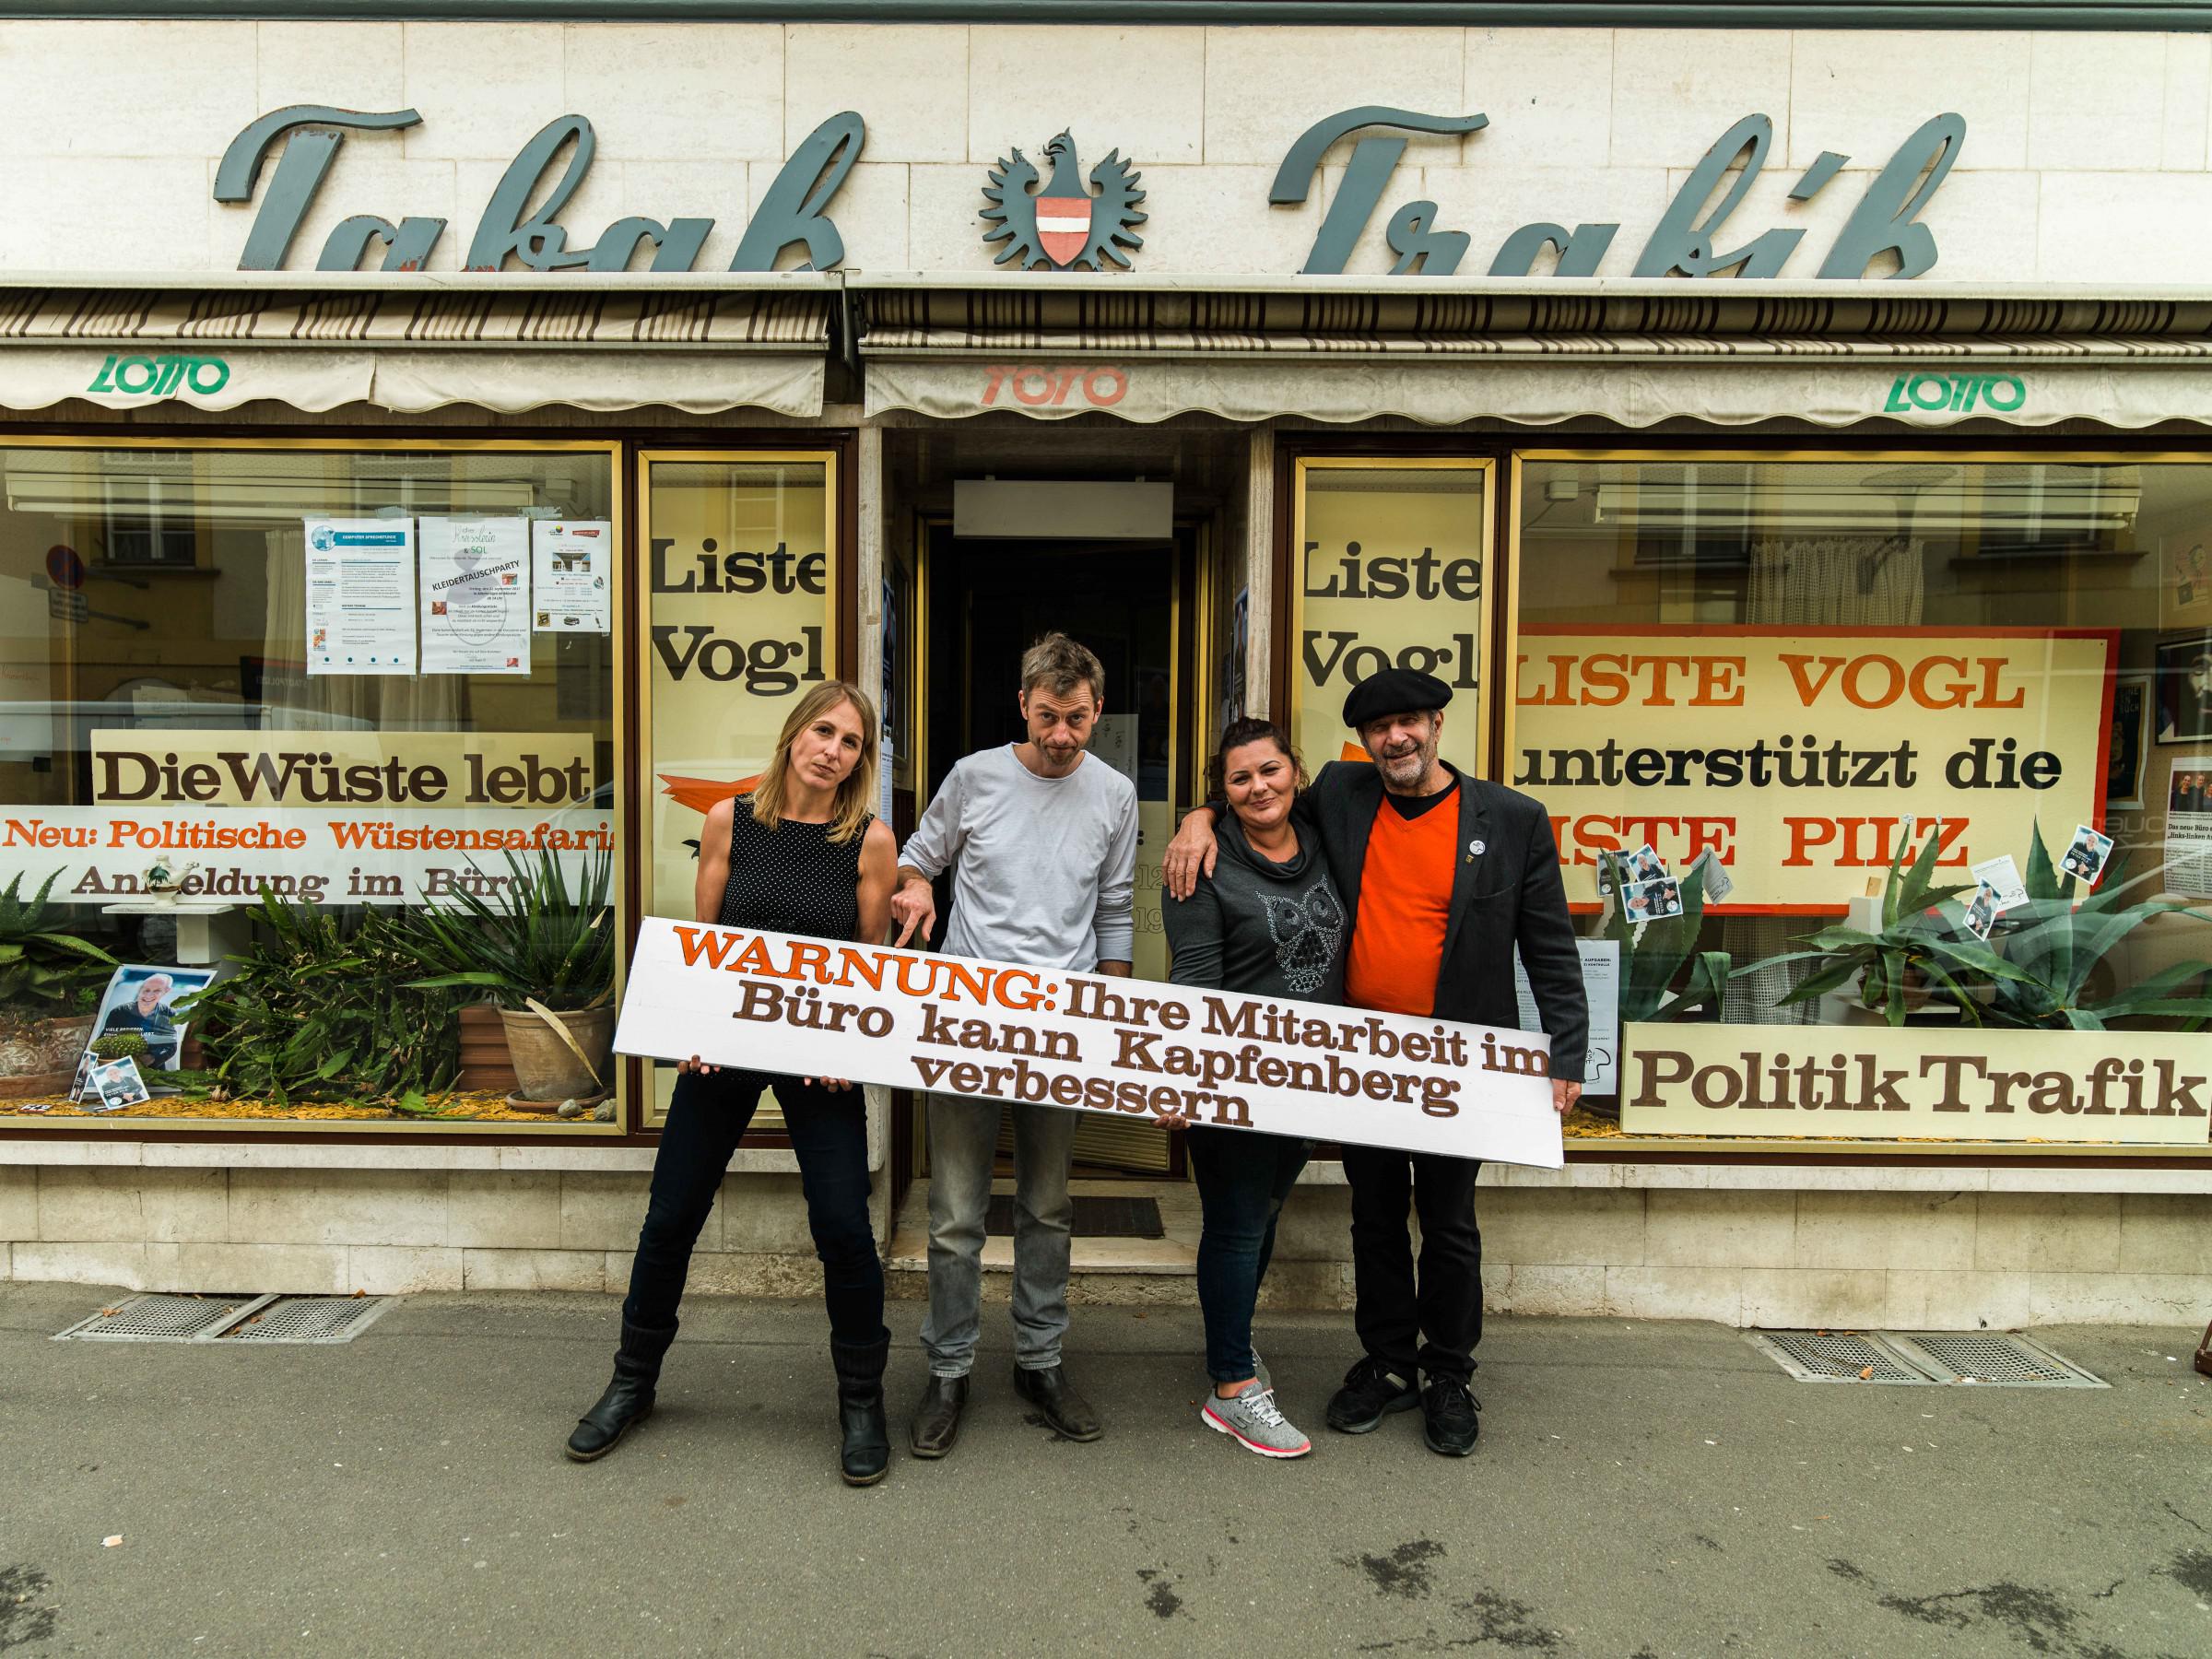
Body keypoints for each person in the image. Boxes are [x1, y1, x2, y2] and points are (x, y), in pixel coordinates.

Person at [1165, 667, 1587, 1458]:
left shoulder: (1512, 819)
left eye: (1409, 723)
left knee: (1450, 1224)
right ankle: (1389, 1362)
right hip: (1358, 1063)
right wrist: (1198, 818)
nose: (1396, 739)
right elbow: (1256, 795)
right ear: (1362, 743)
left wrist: (1565, 1050)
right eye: (1379, 729)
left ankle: (1449, 1373)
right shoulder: (1344, 794)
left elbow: (1551, 946)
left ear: (1436, 725)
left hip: (1457, 1064)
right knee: (1376, 1217)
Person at [566, 680, 900, 1485]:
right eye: (823, 732)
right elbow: (705, 944)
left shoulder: (870, 842)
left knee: (844, 1230)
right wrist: (693, 1033)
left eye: (851, 742)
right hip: (723, 1052)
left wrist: (849, 1052)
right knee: (671, 1216)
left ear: (861, 760)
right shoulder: (730, 820)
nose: (833, 751)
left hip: (819, 1061)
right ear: (794, 734)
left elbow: (871, 965)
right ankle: (632, 1381)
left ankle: (861, 1400)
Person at [891, 631, 1138, 1458]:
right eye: (1047, 717)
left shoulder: (1115, 794)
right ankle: (948, 1369)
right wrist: (916, 890)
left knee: (1047, 1207)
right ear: (1023, 706)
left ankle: (1040, 1361)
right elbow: (918, 861)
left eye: (1077, 718)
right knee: (955, 1213)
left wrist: (1110, 1009)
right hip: (969, 1018)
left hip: (1063, 1024)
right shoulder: (974, 776)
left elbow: (1115, 907)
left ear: (1097, 712)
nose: (1061, 734)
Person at [1156, 718, 1344, 1459]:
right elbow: (1194, 976)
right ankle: (1232, 1388)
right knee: (1236, 1225)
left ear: (1294, 770)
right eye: (1239, 779)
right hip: (1233, 1078)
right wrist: (1180, 1074)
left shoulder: (1327, 834)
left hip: (1312, 1078)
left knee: (1263, 1215)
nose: (1259, 787)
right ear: (1223, 791)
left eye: (1270, 770)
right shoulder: (1200, 865)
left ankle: (1233, 1342)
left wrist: (1197, 812)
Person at [99, 972, 180, 1069]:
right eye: (146, 990)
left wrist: (150, 1058)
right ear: (140, 989)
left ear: (166, 991)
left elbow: (170, 1046)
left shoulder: (168, 1013)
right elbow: (103, 1041)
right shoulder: (119, 1012)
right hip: (120, 1068)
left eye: (157, 991)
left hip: (153, 1071)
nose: (149, 995)